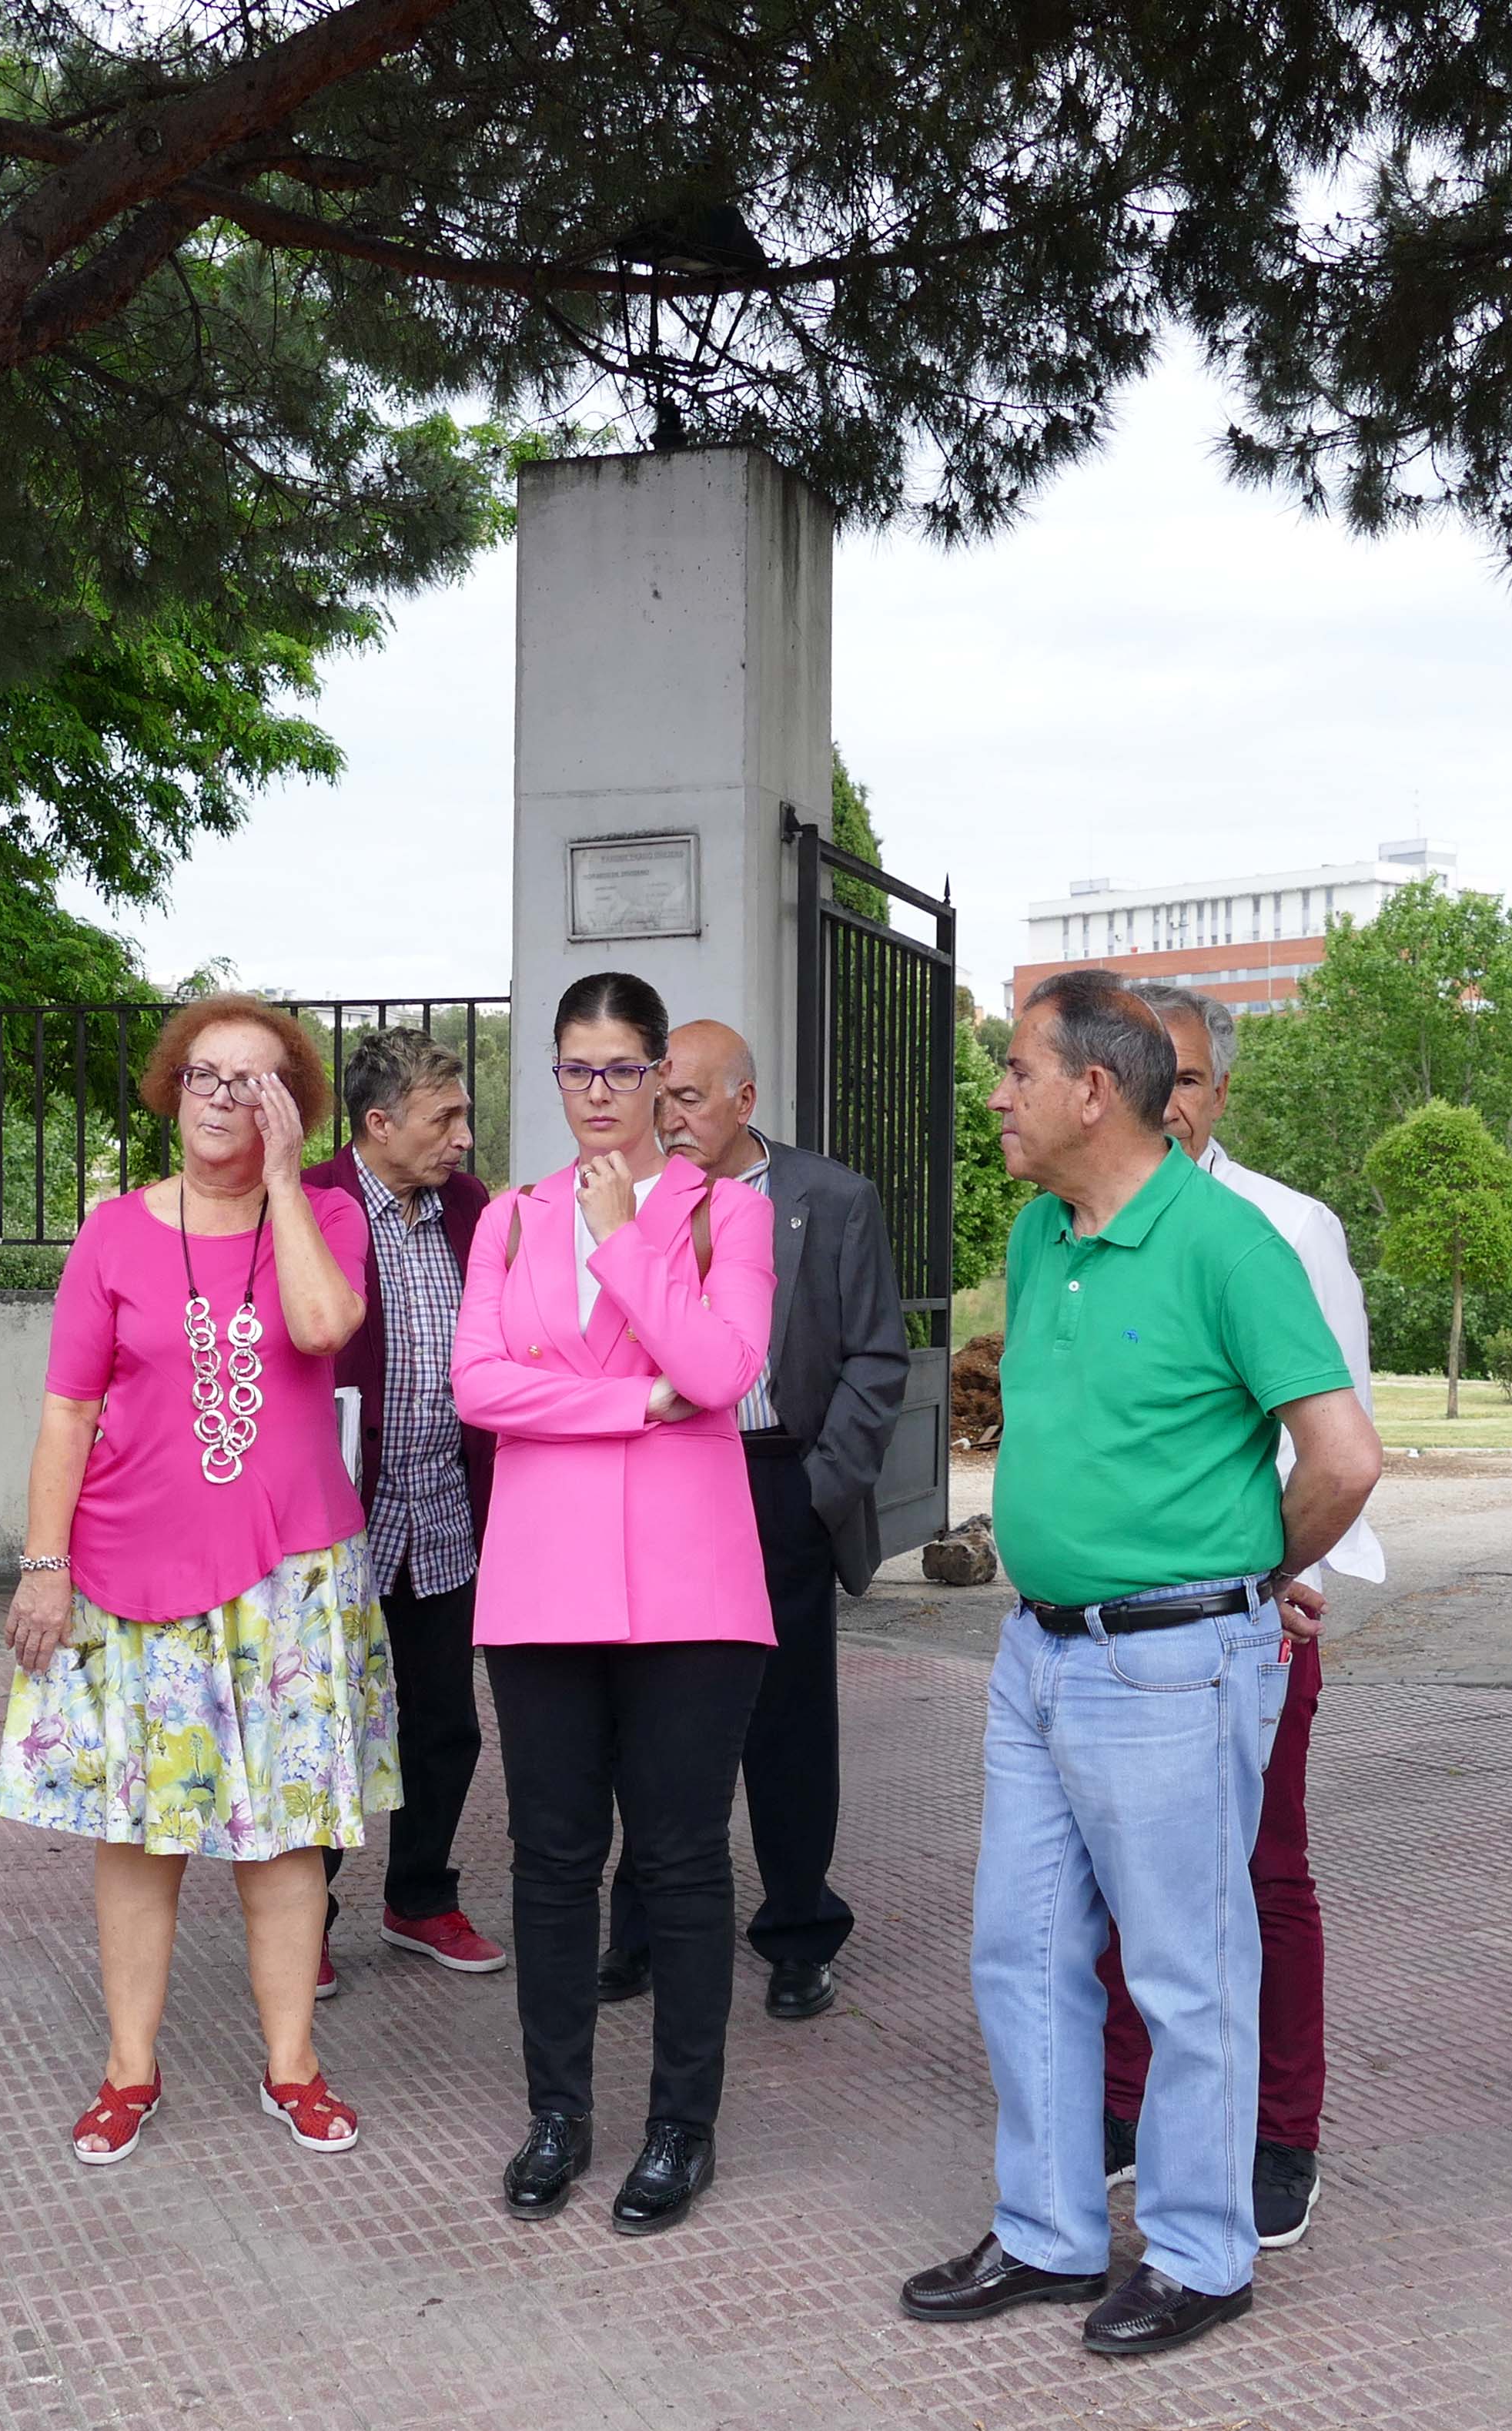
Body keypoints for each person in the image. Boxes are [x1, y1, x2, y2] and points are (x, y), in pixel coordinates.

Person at [898, 970, 1379, 2356]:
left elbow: (1344, 1459)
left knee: (1185, 1969)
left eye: (1016, 1069)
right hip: (1038, 1653)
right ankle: (1049, 2230)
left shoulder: (1231, 1246)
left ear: (1093, 1090)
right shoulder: (1038, 1233)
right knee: (1022, 1951)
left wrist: (1253, 1577)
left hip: (1173, 1665)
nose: (997, 1093)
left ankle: (1200, 2252)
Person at [0, 997, 396, 2168]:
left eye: (252, 1082)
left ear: (290, 1106)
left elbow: (321, 1326)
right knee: (140, 1832)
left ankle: (293, 2067)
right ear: (173, 1089)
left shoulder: (326, 1216)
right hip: (134, 1566)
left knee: (284, 1835)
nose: (221, 1098)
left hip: (290, 1574)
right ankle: (130, 2069)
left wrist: (282, 1183)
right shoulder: (113, 1231)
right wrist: (44, 1565)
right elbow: (68, 1411)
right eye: (204, 1076)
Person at [452, 971, 776, 2234]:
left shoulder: (724, 1213)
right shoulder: (512, 1219)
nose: (598, 1093)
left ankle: (681, 2125)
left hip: (692, 1585)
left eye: (623, 1069)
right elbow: (479, 1385)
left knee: (683, 1859)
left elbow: (719, 1368)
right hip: (542, 1579)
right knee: (551, 1858)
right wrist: (633, 1402)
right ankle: (558, 2112)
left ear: (658, 1077)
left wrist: (629, 1241)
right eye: (576, 1069)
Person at [1093, 980, 1386, 2252]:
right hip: (1107, 1622)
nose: (1168, 1100)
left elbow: (1342, 1435)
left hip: (1252, 1611)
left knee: (1261, 1875)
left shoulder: (1286, 1226)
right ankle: (1122, 2103)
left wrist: (1289, 1572)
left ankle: (1278, 2131)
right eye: (1146, 1074)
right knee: (1117, 1875)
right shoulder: (1079, 1221)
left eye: (1190, 1078)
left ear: (1218, 1091)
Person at [600, 1020, 908, 2021]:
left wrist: (820, 1492)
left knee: (787, 1723)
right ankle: (639, 1929)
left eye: (688, 1097)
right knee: (655, 1714)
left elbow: (875, 1358)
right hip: (663, 1477)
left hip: (778, 1481)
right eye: (659, 1097)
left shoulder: (831, 1199)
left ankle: (798, 1932)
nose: (668, 1116)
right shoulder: (627, 1197)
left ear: (746, 1101)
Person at [303, 1026, 507, 1993]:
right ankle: (304, 1918)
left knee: (445, 1725)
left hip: (446, 1512)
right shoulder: (308, 1204)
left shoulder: (469, 1206)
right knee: (326, 1725)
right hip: (339, 1519)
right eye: (444, 1118)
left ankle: (419, 1898)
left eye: (463, 1116)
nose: (463, 1137)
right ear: (378, 1124)